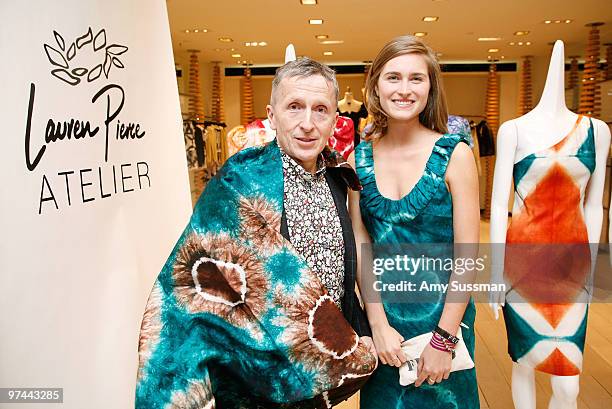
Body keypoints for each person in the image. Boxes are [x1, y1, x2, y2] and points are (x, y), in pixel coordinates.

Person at [135, 57, 377, 408]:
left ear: (334, 120)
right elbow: (189, 280)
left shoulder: (340, 177)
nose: (307, 123)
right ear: (272, 115)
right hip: (255, 375)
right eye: (294, 107)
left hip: (319, 373)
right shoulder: (241, 180)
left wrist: (359, 333)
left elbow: (346, 269)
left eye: (320, 110)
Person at [348, 36, 480, 408]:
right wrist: (376, 324)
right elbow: (362, 246)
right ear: (375, 85)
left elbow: (467, 256)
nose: (404, 89)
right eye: (393, 78)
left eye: (416, 79)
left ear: (430, 87)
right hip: (386, 332)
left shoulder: (455, 155)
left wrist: (444, 340)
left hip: (445, 323)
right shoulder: (359, 160)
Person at [489, 40, 610, 409]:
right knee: (525, 363)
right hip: (522, 264)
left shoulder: (597, 132)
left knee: (568, 386)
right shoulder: (513, 130)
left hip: (573, 267)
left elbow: (594, 205)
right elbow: (498, 205)